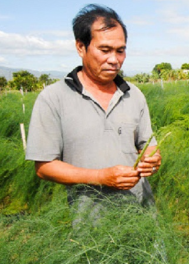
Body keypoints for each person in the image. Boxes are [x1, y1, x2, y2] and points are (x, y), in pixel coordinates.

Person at [26, 4, 161, 212]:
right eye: (105, 50)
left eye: (121, 50)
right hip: (90, 225)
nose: (114, 60)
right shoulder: (53, 98)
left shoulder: (133, 94)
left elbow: (148, 144)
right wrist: (101, 177)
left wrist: (151, 158)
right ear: (81, 47)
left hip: (141, 216)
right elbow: (44, 167)